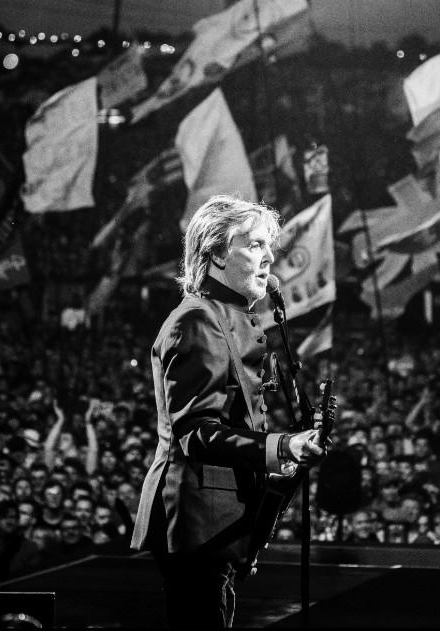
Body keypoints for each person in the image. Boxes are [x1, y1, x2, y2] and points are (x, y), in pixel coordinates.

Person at [131, 195, 326, 628]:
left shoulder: (232, 317)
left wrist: (282, 458)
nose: (270, 257)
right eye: (255, 245)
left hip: (220, 522)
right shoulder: (198, 319)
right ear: (215, 253)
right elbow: (195, 432)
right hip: (200, 522)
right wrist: (282, 445)